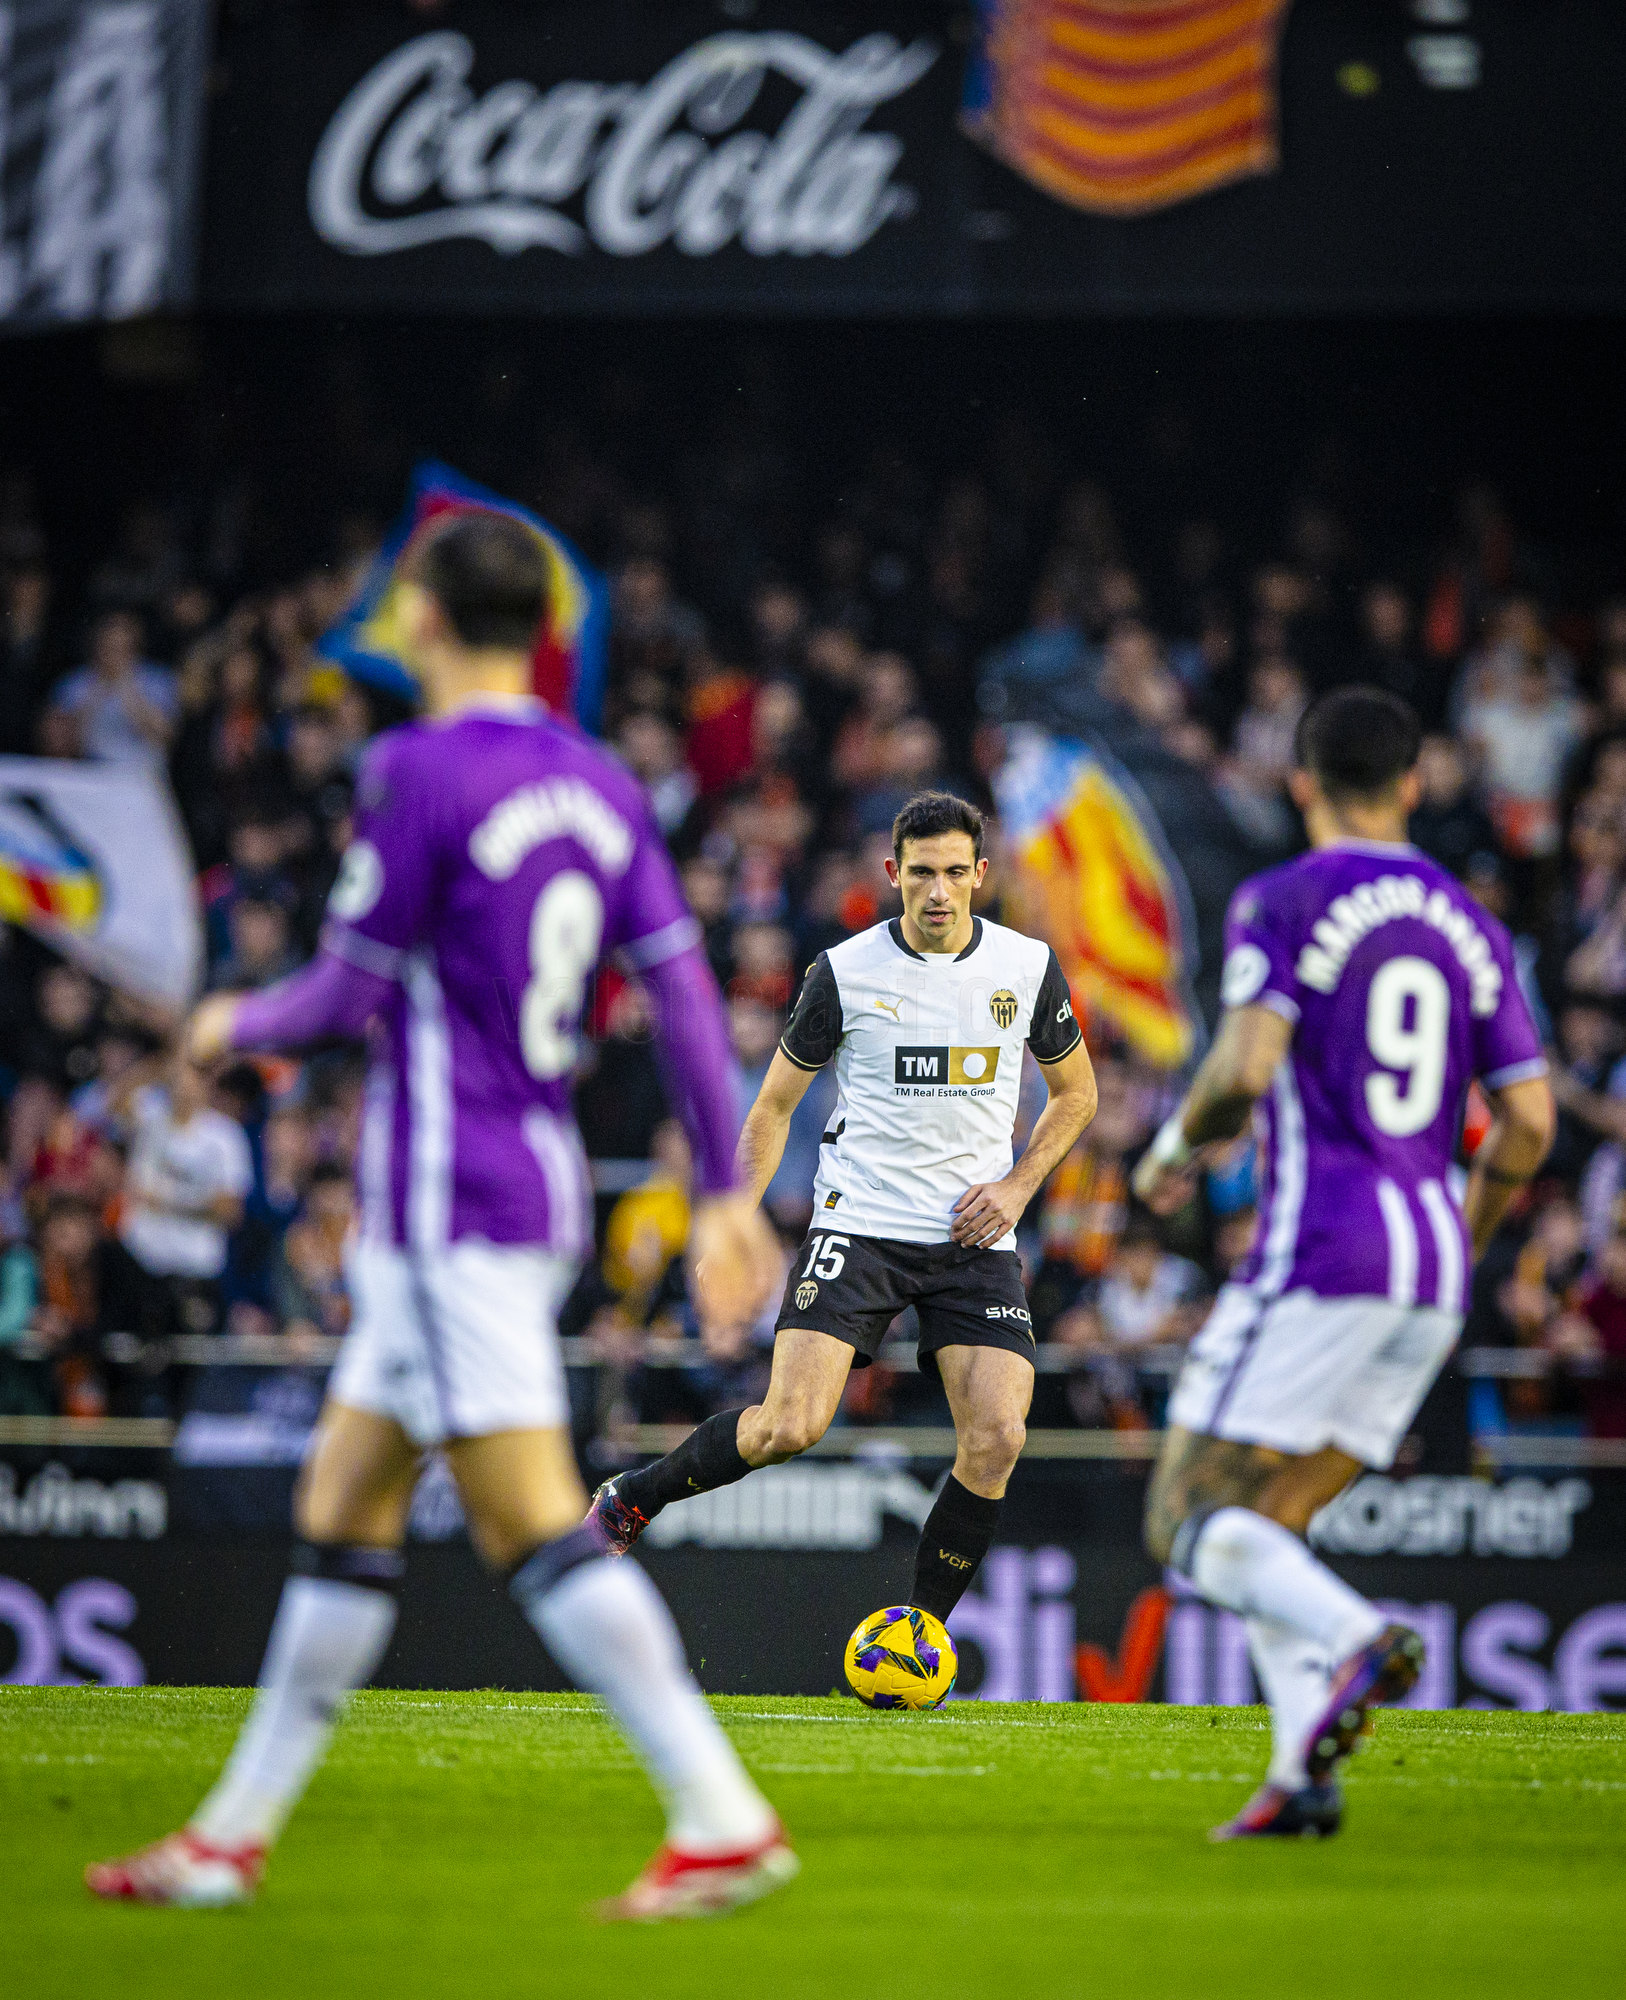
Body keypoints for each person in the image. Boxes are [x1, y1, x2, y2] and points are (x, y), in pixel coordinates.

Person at [86, 512, 792, 1919]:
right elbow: (685, 996)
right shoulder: (598, 785)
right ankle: (228, 1838)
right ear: (537, 626)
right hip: (519, 1188)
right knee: (340, 1500)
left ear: (419, 616)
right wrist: (723, 1192)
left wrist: (231, 1017)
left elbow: (343, 992)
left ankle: (718, 1815)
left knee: (529, 1522)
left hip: (443, 1202)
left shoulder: (411, 767)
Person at [1133, 687, 1554, 1840]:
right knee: (1271, 1518)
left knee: (1184, 1517)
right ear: (1414, 783)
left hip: (1323, 1249)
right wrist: (1465, 1232)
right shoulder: (1470, 920)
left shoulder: (1283, 897)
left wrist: (1173, 1148)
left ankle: (1362, 1638)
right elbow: (1527, 1126)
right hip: (1431, 1262)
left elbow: (1243, 1067)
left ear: (1301, 781)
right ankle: (1297, 1776)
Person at [589, 791, 1098, 1632]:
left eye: (954, 874)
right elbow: (771, 1109)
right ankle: (632, 1498)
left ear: (981, 875)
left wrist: (1015, 1188)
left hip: (975, 1236)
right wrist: (728, 1223)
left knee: (999, 1436)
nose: (938, 892)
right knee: (787, 1427)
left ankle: (918, 1634)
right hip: (859, 1224)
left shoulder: (1026, 967)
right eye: (921, 874)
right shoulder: (845, 971)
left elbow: (1077, 1094)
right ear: (894, 876)